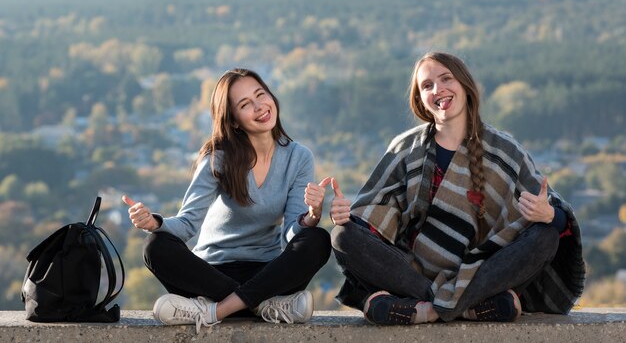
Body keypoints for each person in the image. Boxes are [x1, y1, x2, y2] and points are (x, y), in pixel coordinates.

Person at [328, 52, 585, 325]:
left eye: (446, 79)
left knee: (545, 237)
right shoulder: (405, 148)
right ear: (420, 99)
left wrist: (548, 215)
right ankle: (466, 308)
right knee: (342, 235)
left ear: (464, 85)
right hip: (410, 273)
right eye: (427, 86)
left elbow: (558, 220)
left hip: (482, 272)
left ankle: (425, 310)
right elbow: (371, 217)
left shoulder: (505, 151)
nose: (438, 90)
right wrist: (345, 217)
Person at [123, 68, 331, 333]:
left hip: (268, 274)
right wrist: (154, 222)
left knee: (318, 239)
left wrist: (312, 214)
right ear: (233, 120)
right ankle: (263, 307)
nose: (259, 107)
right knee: (155, 247)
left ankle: (215, 311)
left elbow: (293, 233)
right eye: (245, 104)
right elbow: (187, 224)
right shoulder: (218, 159)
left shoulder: (299, 157)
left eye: (260, 95)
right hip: (212, 275)